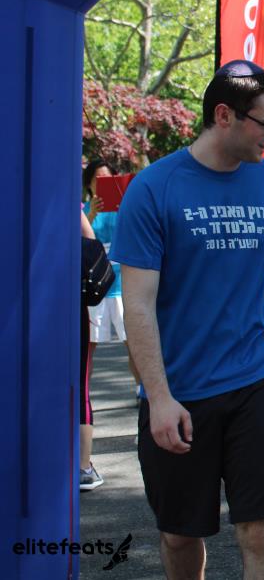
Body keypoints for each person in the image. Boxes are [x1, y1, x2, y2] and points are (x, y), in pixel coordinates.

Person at [111, 60, 264, 579]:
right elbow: (137, 304)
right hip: (180, 390)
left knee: (261, 530)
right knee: (181, 535)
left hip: (256, 379)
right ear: (224, 115)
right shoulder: (154, 188)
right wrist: (159, 397)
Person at [83, 159, 139, 403]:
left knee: (133, 342)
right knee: (88, 347)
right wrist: (91, 214)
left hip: (121, 286)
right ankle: (83, 395)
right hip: (95, 288)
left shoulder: (123, 208)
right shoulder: (83, 210)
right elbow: (79, 239)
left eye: (108, 178)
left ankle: (142, 391)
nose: (102, 183)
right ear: (89, 183)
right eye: (98, 179)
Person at [80, 209, 104, 491]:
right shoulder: (64, 202)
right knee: (78, 385)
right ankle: (83, 467)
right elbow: (90, 243)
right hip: (67, 302)